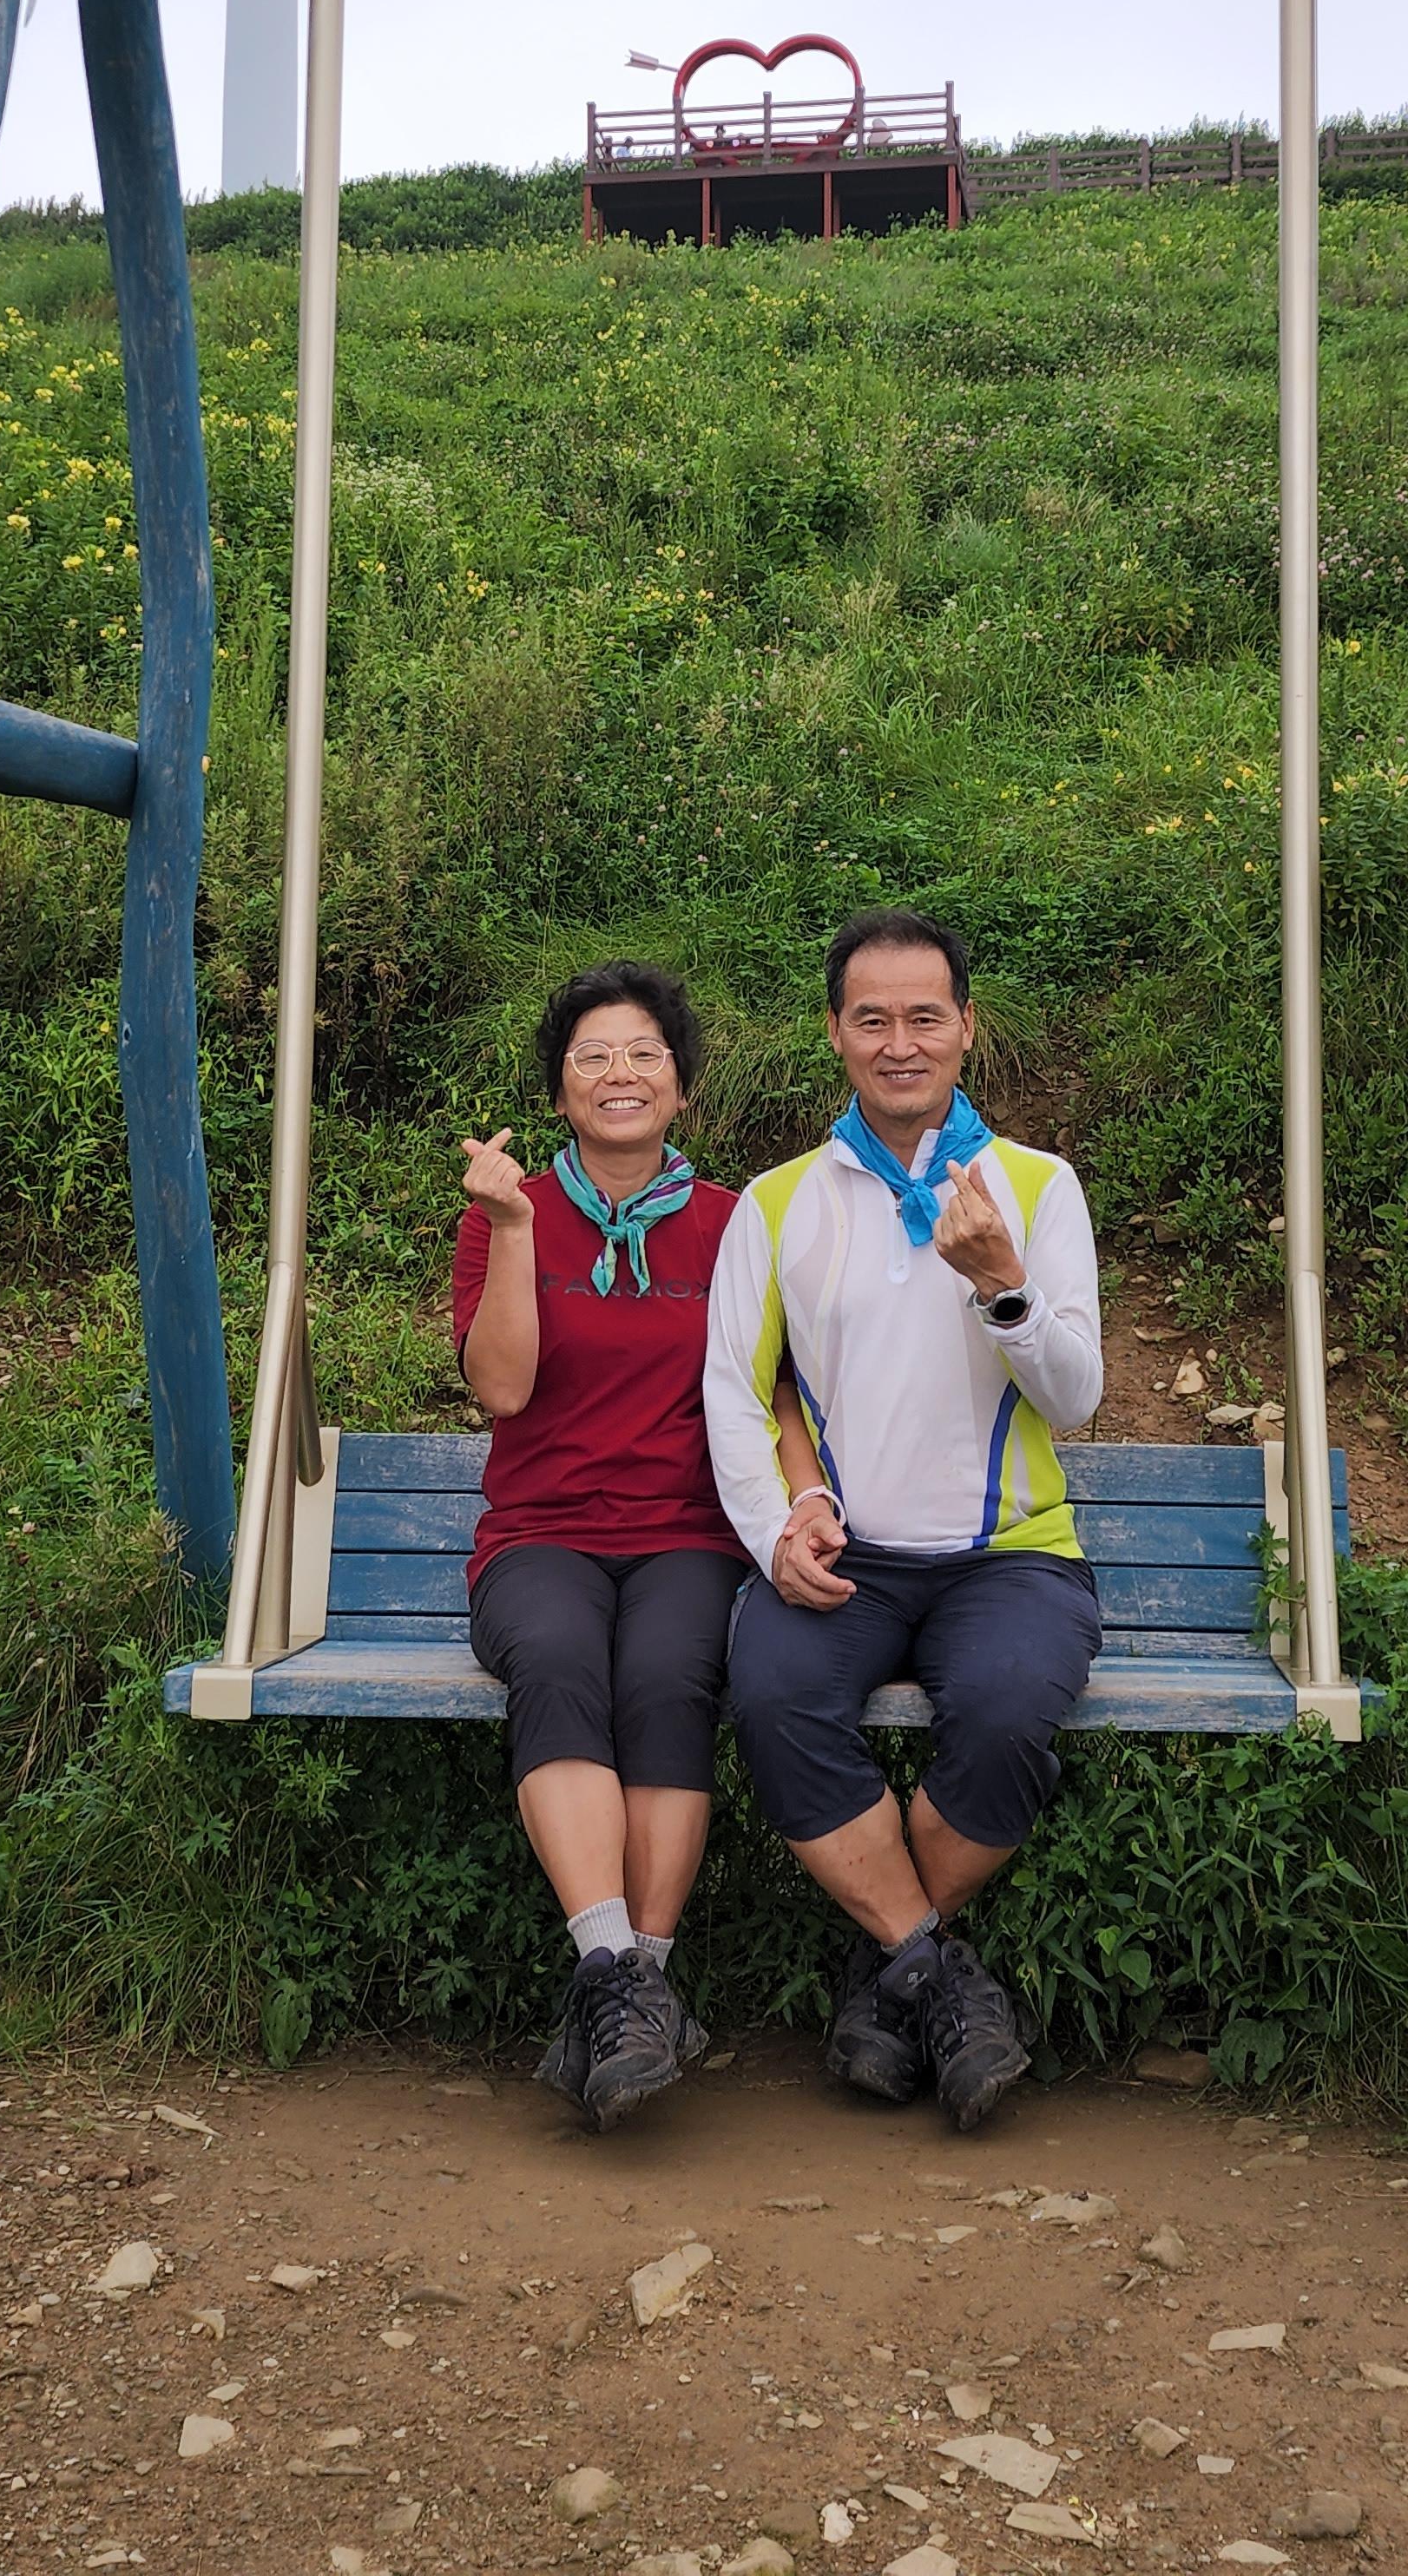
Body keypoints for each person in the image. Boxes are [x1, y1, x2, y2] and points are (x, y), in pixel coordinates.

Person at [704, 907, 1105, 2132]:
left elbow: (1075, 1399)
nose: (899, 1043)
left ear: (966, 1028)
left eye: (924, 1017)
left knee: (1007, 1716)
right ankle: (937, 1976)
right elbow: (735, 1390)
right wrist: (779, 1526)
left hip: (1010, 1558)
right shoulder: (778, 1201)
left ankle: (888, 1973)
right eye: (870, 1019)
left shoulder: (1035, 1187)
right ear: (834, 1033)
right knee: (773, 1697)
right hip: (851, 1561)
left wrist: (1002, 1283)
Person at [455, 960, 751, 2133]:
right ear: (560, 1088)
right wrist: (512, 1231)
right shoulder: (508, 1211)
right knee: (558, 1659)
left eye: (643, 1053)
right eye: (592, 1055)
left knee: (671, 1673)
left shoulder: (733, 1224)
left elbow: (770, 1391)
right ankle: (619, 1976)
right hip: (542, 1534)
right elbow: (503, 1388)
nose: (619, 1072)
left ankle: (633, 1992)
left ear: (680, 1084)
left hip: (686, 1534)